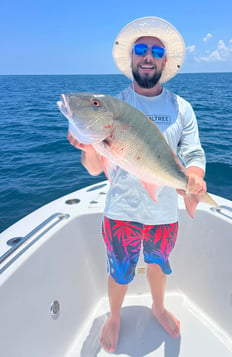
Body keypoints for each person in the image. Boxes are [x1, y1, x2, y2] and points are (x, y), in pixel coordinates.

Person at [68, 16, 207, 353]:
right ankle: (114, 316)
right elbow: (93, 169)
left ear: (164, 60)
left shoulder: (181, 108)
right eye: (141, 49)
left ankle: (157, 307)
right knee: (119, 271)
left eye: (155, 50)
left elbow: (192, 152)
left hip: (163, 212)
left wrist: (194, 179)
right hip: (121, 210)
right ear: (131, 58)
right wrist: (89, 147)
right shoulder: (116, 105)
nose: (148, 56)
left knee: (159, 265)